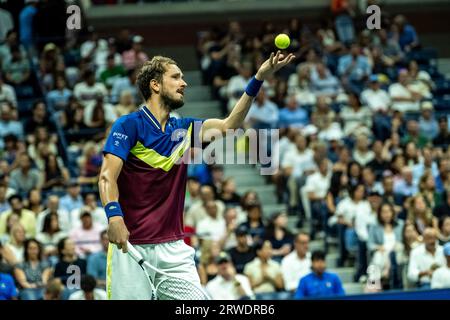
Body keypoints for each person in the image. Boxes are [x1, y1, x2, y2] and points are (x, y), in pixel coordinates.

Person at [99, 52, 295, 300]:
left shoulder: (185, 129)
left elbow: (229, 126)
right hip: (131, 246)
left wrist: (258, 78)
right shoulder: (128, 125)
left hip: (173, 249)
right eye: (176, 77)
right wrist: (114, 217)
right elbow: (107, 177)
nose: (184, 83)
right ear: (155, 84)